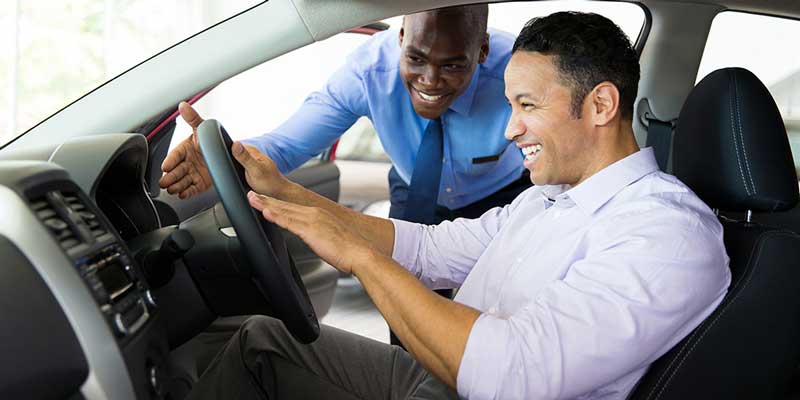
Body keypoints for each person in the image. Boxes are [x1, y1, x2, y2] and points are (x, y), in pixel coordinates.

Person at [186, 11, 731, 400]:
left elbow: (513, 378)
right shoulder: (548, 200)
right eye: (511, 104)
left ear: (601, 105)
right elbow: (428, 245)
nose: (511, 128)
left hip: (473, 388)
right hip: (436, 380)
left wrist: (359, 256)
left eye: (528, 106)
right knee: (262, 338)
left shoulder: (666, 234)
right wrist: (285, 191)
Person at [160, 4, 530, 225]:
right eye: (416, 58)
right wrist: (225, 156)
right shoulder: (367, 73)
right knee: (405, 313)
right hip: (414, 188)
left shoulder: (520, 73)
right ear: (401, 38)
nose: (430, 81)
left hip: (503, 195)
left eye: (452, 66)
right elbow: (288, 146)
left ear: (481, 52)